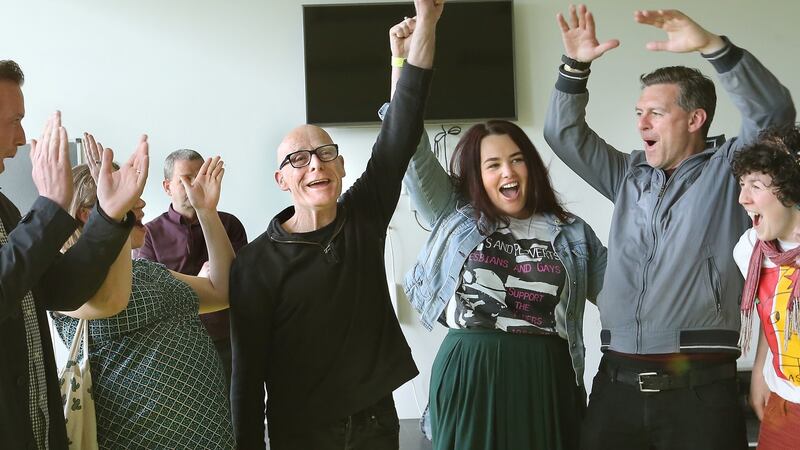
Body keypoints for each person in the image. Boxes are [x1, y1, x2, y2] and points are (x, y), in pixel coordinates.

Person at [543, 6, 795, 449]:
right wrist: (574, 67)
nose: (641, 123)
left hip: (698, 390)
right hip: (614, 383)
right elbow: (563, 133)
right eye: (640, 112)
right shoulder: (627, 174)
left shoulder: (730, 170)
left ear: (695, 120)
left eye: (655, 113)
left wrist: (715, 48)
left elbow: (774, 111)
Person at [229, 2, 442, 448]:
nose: (314, 166)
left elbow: (402, 127)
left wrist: (420, 34)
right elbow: (246, 376)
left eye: (325, 153)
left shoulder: (362, 215)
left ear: (341, 166)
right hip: (301, 432)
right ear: (281, 179)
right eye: (297, 160)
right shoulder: (255, 263)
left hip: (376, 426)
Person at [51, 136, 235, 449]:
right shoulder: (64, 279)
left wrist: (207, 211)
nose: (142, 205)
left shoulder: (146, 270)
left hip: (208, 435)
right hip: (136, 438)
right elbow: (112, 299)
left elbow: (222, 291)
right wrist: (116, 216)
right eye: (132, 197)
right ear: (88, 213)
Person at [0, 60, 147, 450]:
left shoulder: (5, 210)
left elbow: (61, 290)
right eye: (13, 120)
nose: (21, 139)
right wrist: (49, 206)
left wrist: (108, 215)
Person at [136, 148, 247, 388]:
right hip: (174, 348)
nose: (194, 185)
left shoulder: (229, 225)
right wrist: (198, 281)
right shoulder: (148, 234)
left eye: (199, 177)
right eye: (185, 179)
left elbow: (240, 284)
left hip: (227, 341)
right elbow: (153, 295)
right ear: (167, 187)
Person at [732, 125, 800, 449]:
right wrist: (759, 369)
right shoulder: (751, 250)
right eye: (742, 184)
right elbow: (771, 314)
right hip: (783, 406)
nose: (743, 198)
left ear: (790, 190)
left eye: (755, 186)